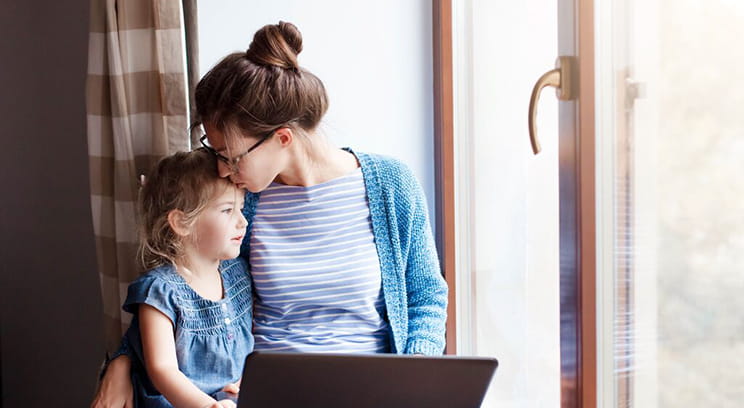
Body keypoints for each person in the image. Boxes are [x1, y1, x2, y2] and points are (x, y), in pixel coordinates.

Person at [91, 21, 447, 407]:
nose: (223, 169)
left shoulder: (390, 185)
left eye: (231, 155)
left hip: (372, 392)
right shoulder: (239, 204)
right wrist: (123, 360)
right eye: (217, 153)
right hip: (268, 395)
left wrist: (413, 377)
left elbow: (425, 296)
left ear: (282, 138)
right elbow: (185, 288)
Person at [106, 149, 253, 408]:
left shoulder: (238, 273)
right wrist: (208, 406)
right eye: (227, 210)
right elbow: (162, 369)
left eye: (241, 208)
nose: (242, 222)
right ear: (182, 223)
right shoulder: (160, 290)